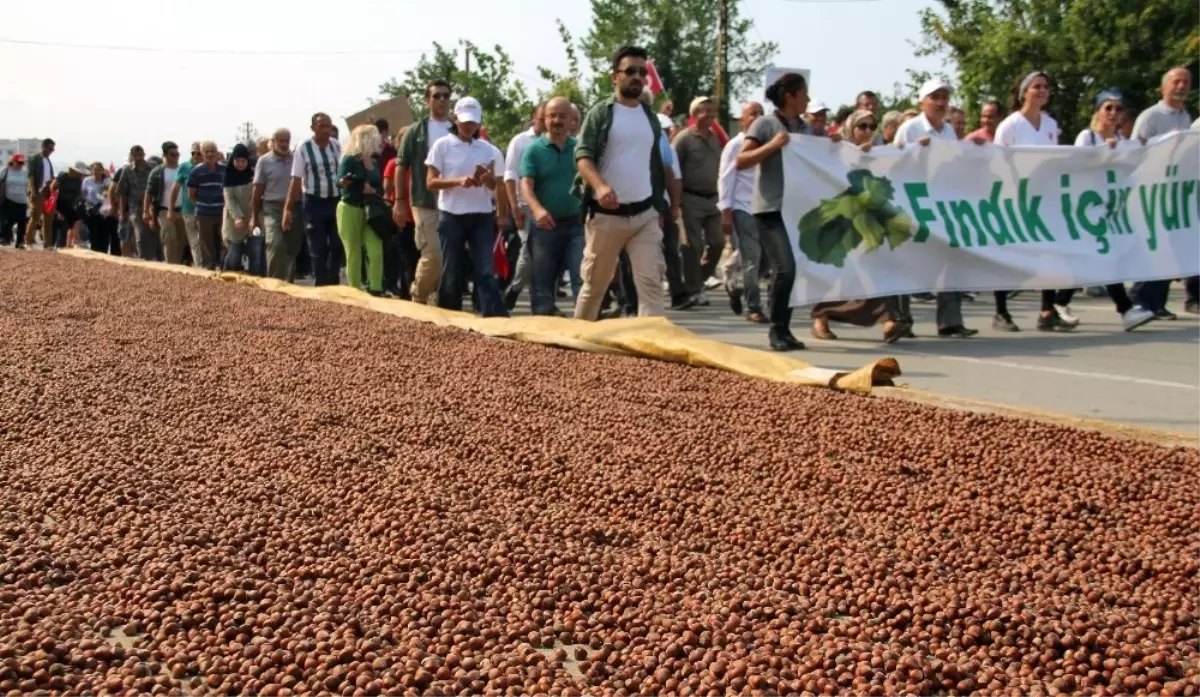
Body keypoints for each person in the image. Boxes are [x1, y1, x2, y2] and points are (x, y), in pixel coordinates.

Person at [572, 45, 669, 321]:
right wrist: (600, 187)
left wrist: (659, 207)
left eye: (642, 72)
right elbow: (582, 156)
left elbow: (654, 166)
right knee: (594, 288)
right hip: (606, 218)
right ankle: (575, 350)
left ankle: (654, 355)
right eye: (631, 71)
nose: (638, 77)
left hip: (644, 217)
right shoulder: (601, 114)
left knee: (651, 285)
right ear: (615, 76)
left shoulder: (651, 119)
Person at [893, 78, 979, 339]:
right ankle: (901, 320)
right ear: (922, 102)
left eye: (944, 98)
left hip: (940, 204)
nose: (941, 103)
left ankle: (950, 322)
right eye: (935, 97)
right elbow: (891, 160)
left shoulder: (949, 132)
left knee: (950, 260)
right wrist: (914, 150)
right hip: (911, 203)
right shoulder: (910, 128)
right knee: (905, 262)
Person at [993, 70, 1077, 333]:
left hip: (1045, 198)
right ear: (1024, 92)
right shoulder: (1010, 125)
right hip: (1017, 199)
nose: (1042, 91)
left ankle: (1046, 310)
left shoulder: (1050, 125)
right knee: (1009, 255)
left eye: (1045, 87)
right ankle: (1001, 311)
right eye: (1036, 86)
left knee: (1049, 252)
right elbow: (997, 162)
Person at [735, 71, 813, 351]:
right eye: (804, 93)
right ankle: (776, 330)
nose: (808, 99)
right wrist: (772, 146)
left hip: (796, 210)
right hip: (770, 208)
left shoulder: (804, 128)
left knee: (792, 270)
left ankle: (785, 328)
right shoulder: (765, 124)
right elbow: (742, 160)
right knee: (785, 268)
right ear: (790, 96)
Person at [808, 111, 901, 343]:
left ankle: (887, 319)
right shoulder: (835, 150)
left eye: (872, 126)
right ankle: (824, 314)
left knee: (872, 271)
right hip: (840, 221)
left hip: (868, 221)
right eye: (862, 126)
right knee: (852, 272)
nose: (868, 131)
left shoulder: (876, 153)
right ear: (851, 128)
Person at [1071, 88, 1156, 332]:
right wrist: (1102, 154)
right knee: (1104, 258)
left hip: (1111, 210)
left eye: (1118, 109)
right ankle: (1126, 309)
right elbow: (1075, 167)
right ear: (1098, 111)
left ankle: (1058, 303)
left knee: (1094, 260)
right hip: (1085, 210)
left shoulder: (1123, 142)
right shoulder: (1087, 137)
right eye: (1108, 108)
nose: (1113, 113)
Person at [425, 97, 507, 317]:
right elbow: (430, 182)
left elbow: (495, 185)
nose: (470, 126)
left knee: (485, 270)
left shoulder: (487, 149)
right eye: (465, 121)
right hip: (452, 215)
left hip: (481, 215)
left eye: (474, 122)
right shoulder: (442, 145)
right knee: (451, 270)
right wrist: (458, 181)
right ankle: (449, 317)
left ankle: (493, 317)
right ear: (455, 120)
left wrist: (488, 179)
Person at [1130, 66, 1195, 318]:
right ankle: (1141, 298)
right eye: (1176, 81)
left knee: (1171, 248)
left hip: (1175, 192)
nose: (1181, 86)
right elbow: (1135, 150)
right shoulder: (1151, 116)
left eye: (1186, 82)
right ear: (1163, 87)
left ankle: (1158, 302)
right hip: (1152, 191)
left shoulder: (1184, 117)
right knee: (1155, 247)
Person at [519, 96, 584, 316]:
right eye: (552, 115)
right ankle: (541, 329)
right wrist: (537, 210)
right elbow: (526, 185)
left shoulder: (579, 149)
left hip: (576, 223)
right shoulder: (534, 150)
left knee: (581, 276)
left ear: (571, 121)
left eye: (562, 116)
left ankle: (585, 325)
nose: (557, 120)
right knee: (543, 280)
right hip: (545, 226)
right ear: (544, 119)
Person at [396, 80, 454, 304]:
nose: (441, 100)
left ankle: (441, 303)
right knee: (433, 255)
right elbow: (401, 166)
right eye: (436, 95)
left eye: (445, 96)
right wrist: (399, 202)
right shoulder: (415, 131)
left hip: (453, 203)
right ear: (426, 100)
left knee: (450, 258)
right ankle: (418, 295)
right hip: (424, 201)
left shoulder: (458, 129)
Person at [673, 96, 725, 304]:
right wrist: (676, 201)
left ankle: (698, 280)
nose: (710, 115)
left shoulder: (715, 138)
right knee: (693, 246)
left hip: (713, 199)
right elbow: (673, 170)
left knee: (718, 242)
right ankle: (694, 290)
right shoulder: (683, 139)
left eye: (712, 111)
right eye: (705, 111)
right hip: (691, 198)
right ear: (694, 115)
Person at [718, 102, 767, 323]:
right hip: (742, 207)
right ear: (743, 119)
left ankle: (735, 283)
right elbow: (726, 178)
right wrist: (726, 212)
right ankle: (753, 307)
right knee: (752, 257)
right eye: (752, 114)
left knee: (766, 259)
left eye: (761, 114)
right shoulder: (735, 145)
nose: (757, 117)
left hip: (764, 208)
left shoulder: (768, 144)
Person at [285, 112, 344, 286]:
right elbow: (296, 179)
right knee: (317, 247)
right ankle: (320, 283)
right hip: (313, 202)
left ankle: (333, 282)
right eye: (321, 126)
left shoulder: (336, 146)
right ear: (313, 128)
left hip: (335, 201)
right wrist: (288, 208)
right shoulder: (303, 148)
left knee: (336, 244)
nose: (326, 130)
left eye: (328, 126)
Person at [502, 103, 546, 310]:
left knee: (546, 255)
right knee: (529, 250)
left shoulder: (559, 141)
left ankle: (542, 301)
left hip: (551, 206)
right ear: (533, 118)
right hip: (525, 205)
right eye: (542, 117)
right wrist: (514, 207)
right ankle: (515, 289)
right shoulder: (520, 142)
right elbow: (510, 175)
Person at [335, 124, 386, 295]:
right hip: (350, 208)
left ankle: (376, 288)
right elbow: (340, 182)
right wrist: (350, 182)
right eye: (375, 137)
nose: (379, 140)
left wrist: (374, 190)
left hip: (370, 211)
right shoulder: (349, 159)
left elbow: (381, 188)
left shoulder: (374, 162)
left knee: (375, 248)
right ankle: (354, 291)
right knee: (353, 252)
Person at [252, 129, 303, 281]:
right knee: (275, 244)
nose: (284, 144)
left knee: (291, 248)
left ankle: (288, 283)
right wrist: (254, 217)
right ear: (273, 142)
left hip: (295, 207)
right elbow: (257, 190)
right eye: (281, 141)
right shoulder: (264, 161)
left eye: (287, 140)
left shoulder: (296, 159)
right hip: (272, 207)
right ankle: (274, 284)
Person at [143, 142, 187, 264]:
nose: (176, 157)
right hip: (164, 210)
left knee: (181, 241)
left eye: (177, 154)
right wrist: (146, 212)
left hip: (182, 210)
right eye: (172, 154)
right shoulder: (157, 172)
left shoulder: (182, 170)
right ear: (165, 155)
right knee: (170, 239)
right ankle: (171, 266)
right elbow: (149, 193)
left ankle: (177, 265)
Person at [222, 144, 262, 275]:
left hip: (254, 219)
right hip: (235, 222)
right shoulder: (228, 178)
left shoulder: (254, 176)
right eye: (237, 161)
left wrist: (254, 217)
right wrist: (237, 217)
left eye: (243, 161)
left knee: (256, 253)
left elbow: (257, 196)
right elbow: (230, 200)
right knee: (234, 254)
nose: (240, 164)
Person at [187, 141, 227, 269]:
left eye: (212, 151)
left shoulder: (224, 170)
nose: (210, 154)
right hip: (204, 214)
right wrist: (202, 206)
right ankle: (208, 270)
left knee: (223, 242)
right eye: (206, 151)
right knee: (206, 244)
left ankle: (221, 267)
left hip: (221, 213)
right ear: (202, 153)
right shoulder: (196, 171)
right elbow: (191, 195)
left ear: (217, 153)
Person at [114, 146, 155, 259]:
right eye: (135, 156)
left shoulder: (152, 168)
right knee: (140, 233)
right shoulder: (127, 170)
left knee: (152, 232)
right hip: (135, 206)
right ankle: (143, 257)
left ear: (144, 154)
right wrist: (122, 212)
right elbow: (122, 192)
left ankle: (152, 258)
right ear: (131, 156)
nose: (138, 158)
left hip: (152, 204)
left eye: (140, 155)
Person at [169, 143, 203, 266]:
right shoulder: (184, 167)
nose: (196, 156)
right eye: (194, 153)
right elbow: (175, 189)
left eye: (199, 153)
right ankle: (200, 267)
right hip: (189, 211)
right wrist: (170, 209)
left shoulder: (209, 167)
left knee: (206, 241)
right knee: (195, 242)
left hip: (206, 211)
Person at [49, 162, 89, 249]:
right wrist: (55, 206)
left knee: (73, 222)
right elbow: (52, 188)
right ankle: (72, 241)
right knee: (72, 221)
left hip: (71, 204)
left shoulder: (78, 180)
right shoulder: (63, 176)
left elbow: (79, 193)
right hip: (60, 203)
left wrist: (82, 197)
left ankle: (69, 243)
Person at [82, 163, 118, 256]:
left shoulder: (107, 181)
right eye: (94, 169)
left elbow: (107, 194)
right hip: (91, 211)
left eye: (99, 169)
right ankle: (95, 254)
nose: (96, 172)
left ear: (102, 170)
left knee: (104, 235)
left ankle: (104, 253)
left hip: (104, 211)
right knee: (93, 235)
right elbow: (83, 194)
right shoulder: (87, 181)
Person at [24, 138, 55, 249]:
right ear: (44, 147)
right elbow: (31, 175)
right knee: (35, 217)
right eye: (50, 148)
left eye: (53, 149)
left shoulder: (48, 161)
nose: (51, 151)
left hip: (48, 192)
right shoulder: (35, 159)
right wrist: (33, 191)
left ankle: (47, 244)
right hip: (38, 191)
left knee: (48, 219)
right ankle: (28, 242)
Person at [1, 154, 28, 248]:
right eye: (19, 162)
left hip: (22, 200)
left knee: (22, 222)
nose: (20, 165)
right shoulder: (6, 170)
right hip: (9, 199)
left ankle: (19, 242)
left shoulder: (25, 172)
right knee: (9, 220)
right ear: (13, 161)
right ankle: (4, 237)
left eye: (22, 163)